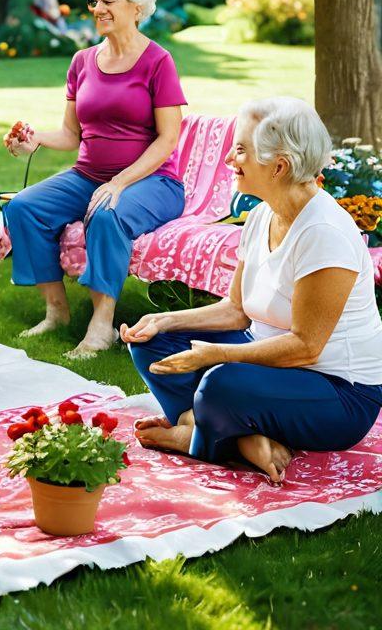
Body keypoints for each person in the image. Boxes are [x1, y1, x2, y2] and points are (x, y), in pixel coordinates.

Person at [122, 98, 382, 484]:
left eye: (241, 149)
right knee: (152, 342)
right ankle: (234, 435)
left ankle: (200, 434)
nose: (229, 158)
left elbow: (306, 347)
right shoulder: (262, 215)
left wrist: (217, 355)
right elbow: (236, 310)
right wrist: (165, 319)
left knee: (221, 383)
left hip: (338, 393)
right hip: (267, 363)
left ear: (279, 166)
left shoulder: (324, 233)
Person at [3, 0, 186, 358]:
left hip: (153, 182)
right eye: (94, 0)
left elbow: (168, 138)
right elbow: (71, 134)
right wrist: (33, 140)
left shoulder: (158, 62)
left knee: (106, 213)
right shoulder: (82, 61)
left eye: (108, 0)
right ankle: (57, 312)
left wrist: (120, 183)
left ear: (137, 6)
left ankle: (102, 325)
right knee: (23, 208)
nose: (97, 8)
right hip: (88, 174)